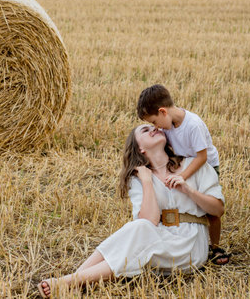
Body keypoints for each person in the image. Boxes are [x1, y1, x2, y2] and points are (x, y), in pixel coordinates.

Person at [37, 124, 225, 298]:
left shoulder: (195, 166)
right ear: (140, 148)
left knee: (133, 241)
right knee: (136, 230)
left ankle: (71, 280)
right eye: (145, 130)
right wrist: (147, 180)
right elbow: (149, 220)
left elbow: (218, 209)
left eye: (154, 127)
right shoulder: (138, 179)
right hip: (160, 239)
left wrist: (188, 190)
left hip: (190, 246)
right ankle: (73, 283)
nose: (154, 129)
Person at [137, 84, 231, 265]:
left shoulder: (193, 125)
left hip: (205, 167)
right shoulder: (167, 125)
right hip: (185, 165)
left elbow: (202, 157)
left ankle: (216, 246)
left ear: (163, 111)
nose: (156, 128)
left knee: (210, 211)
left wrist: (184, 176)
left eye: (154, 122)